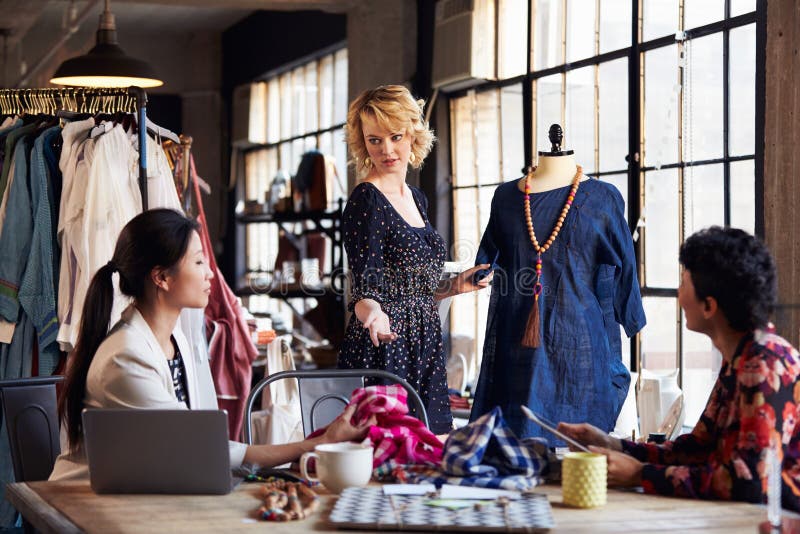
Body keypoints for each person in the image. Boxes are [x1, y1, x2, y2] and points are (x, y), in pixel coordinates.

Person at [50, 209, 372, 480]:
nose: (210, 276)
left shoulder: (176, 342)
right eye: (199, 262)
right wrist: (315, 444)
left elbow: (202, 442)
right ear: (161, 278)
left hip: (147, 493)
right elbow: (199, 446)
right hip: (86, 507)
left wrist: (318, 443)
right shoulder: (126, 357)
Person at [559, 226, 800, 510]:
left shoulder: (765, 364)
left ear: (709, 306)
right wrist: (616, 446)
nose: (678, 292)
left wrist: (639, 473)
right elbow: (698, 450)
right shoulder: (742, 356)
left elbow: (747, 484)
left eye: (684, 282)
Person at [471, 125, 645, 442]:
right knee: (519, 444)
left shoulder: (603, 198)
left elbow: (625, 266)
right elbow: (483, 265)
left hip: (579, 351)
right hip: (517, 346)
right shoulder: (507, 197)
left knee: (580, 449)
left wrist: (630, 314)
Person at [338, 85, 491, 434]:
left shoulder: (417, 198)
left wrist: (455, 286)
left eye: (395, 136)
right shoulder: (366, 201)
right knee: (388, 455)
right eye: (374, 140)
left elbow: (414, 291)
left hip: (425, 342)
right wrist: (373, 314)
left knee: (427, 452)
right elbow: (365, 292)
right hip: (385, 347)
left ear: (412, 134)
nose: (387, 149)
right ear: (363, 143)